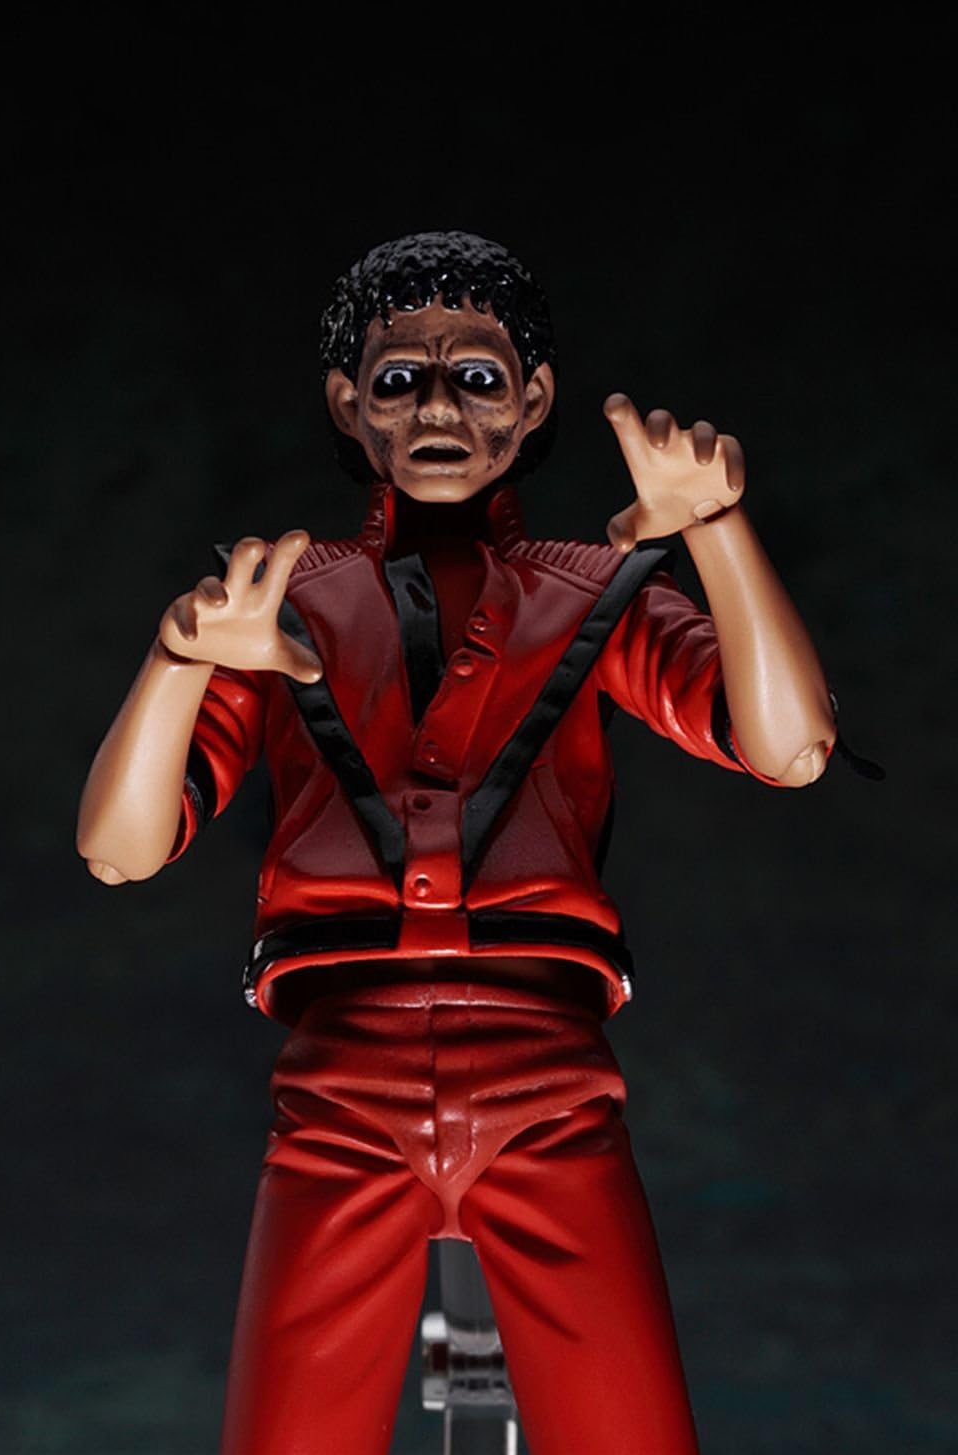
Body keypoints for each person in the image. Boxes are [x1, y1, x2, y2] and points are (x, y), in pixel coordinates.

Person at [77, 231, 836, 1455]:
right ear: (348, 404)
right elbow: (118, 848)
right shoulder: (284, 601)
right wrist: (178, 663)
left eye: (477, 377)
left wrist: (715, 529)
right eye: (399, 380)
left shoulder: (594, 586)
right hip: (339, 1086)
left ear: (532, 401)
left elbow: (790, 745)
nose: (437, 409)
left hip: (551, 1082)